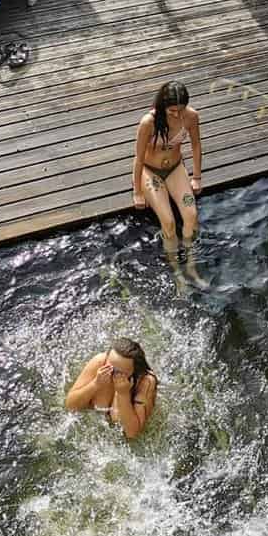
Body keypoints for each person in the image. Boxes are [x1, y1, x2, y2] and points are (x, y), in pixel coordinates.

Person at [132, 81, 205, 287]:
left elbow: (196, 145)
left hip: (175, 168)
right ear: (163, 105)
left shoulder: (191, 116)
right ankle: (177, 272)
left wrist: (196, 177)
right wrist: (137, 191)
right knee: (169, 222)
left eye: (180, 110)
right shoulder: (148, 122)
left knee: (191, 215)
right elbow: (138, 158)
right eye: (172, 110)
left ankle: (191, 266)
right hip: (150, 171)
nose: (177, 114)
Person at [65, 338, 157, 440]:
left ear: (134, 372)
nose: (112, 374)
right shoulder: (100, 362)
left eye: (119, 373)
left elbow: (131, 434)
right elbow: (70, 405)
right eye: (110, 368)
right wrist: (95, 384)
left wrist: (123, 394)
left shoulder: (145, 381)